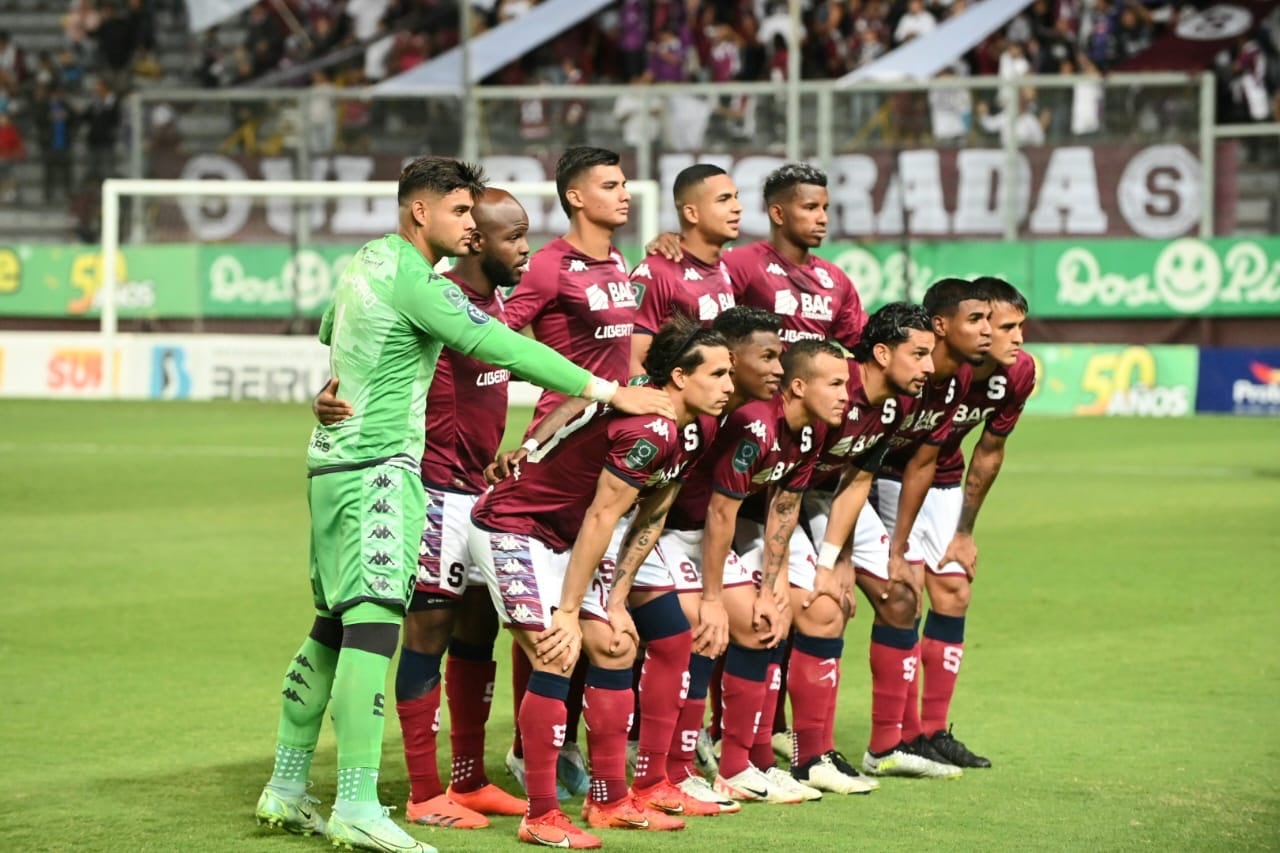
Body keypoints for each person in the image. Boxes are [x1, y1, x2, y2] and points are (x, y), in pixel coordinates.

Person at [253, 157, 672, 853]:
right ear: (422, 211)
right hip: (380, 471)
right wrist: (608, 392)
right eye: (458, 213)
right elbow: (494, 340)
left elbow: (334, 329)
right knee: (372, 629)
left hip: (330, 463)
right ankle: (357, 799)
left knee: (330, 625)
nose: (469, 227)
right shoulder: (418, 280)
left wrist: (335, 390)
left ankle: (288, 784)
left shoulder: (366, 261)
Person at [314, 188, 539, 831]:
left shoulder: (496, 300)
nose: (523, 245)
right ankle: (422, 789)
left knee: (478, 628)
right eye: (511, 233)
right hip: (431, 485)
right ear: (474, 242)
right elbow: (353, 349)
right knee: (428, 631)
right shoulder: (430, 299)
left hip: (480, 489)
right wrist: (329, 397)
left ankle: (469, 779)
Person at [470, 317, 736, 848]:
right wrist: (569, 610)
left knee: (617, 644)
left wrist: (615, 598)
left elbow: (652, 513)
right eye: (719, 373)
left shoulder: (690, 423)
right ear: (680, 378)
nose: (730, 384)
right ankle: (541, 815)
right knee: (555, 652)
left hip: (561, 540)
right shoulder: (650, 426)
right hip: (513, 529)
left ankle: (610, 799)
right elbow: (601, 517)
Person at [502, 145, 639, 796]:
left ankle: (568, 739)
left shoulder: (618, 262)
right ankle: (528, 750)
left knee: (584, 610)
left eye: (625, 184)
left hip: (611, 452)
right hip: (560, 443)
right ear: (577, 197)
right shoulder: (550, 266)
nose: (625, 194)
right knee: (545, 614)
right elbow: (492, 337)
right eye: (611, 185)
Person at [665, 340, 850, 804]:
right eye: (837, 383)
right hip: (674, 530)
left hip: (715, 534)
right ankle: (680, 767)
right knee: (711, 629)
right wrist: (712, 598)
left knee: (764, 620)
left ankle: (745, 764)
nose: (848, 394)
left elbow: (784, 507)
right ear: (800, 387)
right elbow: (721, 513)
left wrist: (774, 587)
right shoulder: (755, 426)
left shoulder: (814, 430)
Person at [787, 302, 936, 794]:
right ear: (880, 352)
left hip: (828, 494)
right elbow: (787, 477)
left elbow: (857, 479)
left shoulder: (899, 401)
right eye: (918, 355)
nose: (928, 368)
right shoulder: (832, 388)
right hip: (777, 494)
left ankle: (887, 746)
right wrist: (825, 568)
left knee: (901, 595)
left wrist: (838, 559)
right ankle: (807, 753)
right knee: (821, 608)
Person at [899, 278, 1036, 768]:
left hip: (941, 481)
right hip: (885, 477)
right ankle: (903, 733)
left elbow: (989, 452)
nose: (1017, 338)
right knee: (905, 594)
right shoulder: (925, 364)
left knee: (954, 592)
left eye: (1020, 326)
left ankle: (935, 730)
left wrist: (964, 532)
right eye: (1006, 327)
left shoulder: (1017, 375)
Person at [860, 277, 992, 780]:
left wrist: (898, 546)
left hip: (887, 484)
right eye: (975, 321)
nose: (987, 333)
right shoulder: (886, 378)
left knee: (912, 596)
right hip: (848, 484)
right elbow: (860, 456)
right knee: (828, 606)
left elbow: (923, 461)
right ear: (941, 326)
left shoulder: (957, 378)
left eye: (990, 323)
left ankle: (908, 737)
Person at [647, 163, 866, 350]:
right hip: (755, 398)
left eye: (824, 208)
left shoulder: (835, 279)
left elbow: (866, 345)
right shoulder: (740, 265)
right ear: (778, 214)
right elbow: (696, 270)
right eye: (811, 208)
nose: (823, 218)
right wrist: (672, 241)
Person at [629, 163, 741, 376]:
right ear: (691, 213)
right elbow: (631, 360)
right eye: (724, 199)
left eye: (736, 197)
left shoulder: (728, 267)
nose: (737, 207)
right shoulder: (657, 271)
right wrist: (659, 407)